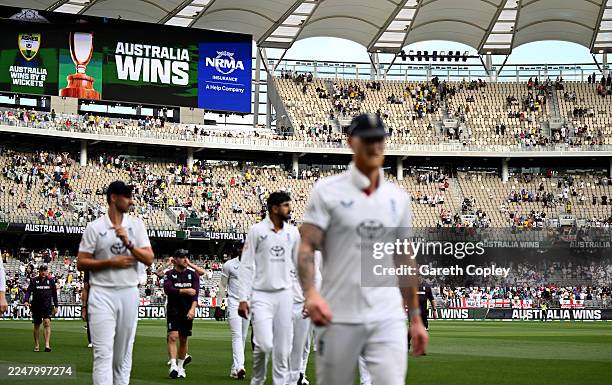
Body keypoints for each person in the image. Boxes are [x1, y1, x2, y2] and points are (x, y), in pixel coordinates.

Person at [297, 113, 429, 385]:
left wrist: (415, 318)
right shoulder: (326, 191)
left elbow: (405, 259)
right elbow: (307, 245)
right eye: (367, 140)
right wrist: (310, 293)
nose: (375, 146)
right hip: (338, 315)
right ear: (351, 143)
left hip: (387, 316)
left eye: (380, 139)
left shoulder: (399, 199)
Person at [77, 180, 154, 385]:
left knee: (122, 356)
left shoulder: (136, 225)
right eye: (127, 197)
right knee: (103, 354)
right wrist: (110, 262)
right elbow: (81, 262)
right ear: (113, 198)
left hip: (129, 292)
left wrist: (128, 243)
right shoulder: (95, 227)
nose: (131, 201)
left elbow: (148, 259)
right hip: (101, 293)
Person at [238, 192, 301, 385]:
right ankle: (257, 380)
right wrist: (243, 298)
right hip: (262, 295)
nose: (290, 209)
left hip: (285, 295)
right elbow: (246, 265)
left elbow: (299, 267)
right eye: (285, 205)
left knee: (283, 352)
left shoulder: (293, 233)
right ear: (274, 208)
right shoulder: (256, 230)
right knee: (264, 345)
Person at [164, 249, 199, 379]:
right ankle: (173, 365)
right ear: (175, 259)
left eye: (186, 257)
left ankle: (180, 367)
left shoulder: (193, 275)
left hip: (187, 310)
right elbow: (168, 290)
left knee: (184, 340)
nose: (185, 260)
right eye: (182, 257)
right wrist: (185, 290)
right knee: (173, 336)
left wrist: (192, 309)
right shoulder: (169, 274)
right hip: (173, 310)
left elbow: (195, 294)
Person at [220, 251, 249, 379]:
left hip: (248, 304)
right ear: (237, 250)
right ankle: (240, 367)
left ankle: (234, 368)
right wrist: (219, 305)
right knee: (237, 335)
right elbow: (222, 285)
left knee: (242, 336)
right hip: (233, 303)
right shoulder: (229, 265)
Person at [24, 265, 58, 352]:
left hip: (47, 306)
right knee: (37, 325)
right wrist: (26, 300)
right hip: (36, 305)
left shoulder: (51, 281)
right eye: (42, 270)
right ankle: (37, 345)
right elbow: (28, 291)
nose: (43, 272)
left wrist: (56, 305)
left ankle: (47, 345)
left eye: (45, 270)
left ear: (47, 271)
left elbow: (54, 294)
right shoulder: (34, 280)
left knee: (47, 323)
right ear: (39, 271)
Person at [81, 271, 92, 348]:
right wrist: (84, 307)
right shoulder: (88, 268)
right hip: (92, 301)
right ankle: (91, 341)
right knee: (91, 321)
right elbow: (85, 288)